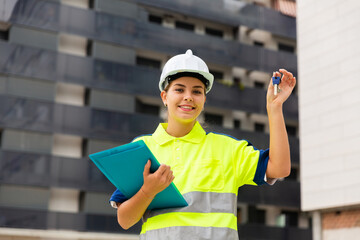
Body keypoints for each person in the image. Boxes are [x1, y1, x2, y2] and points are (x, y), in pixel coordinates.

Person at [109, 49, 296, 239]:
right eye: (179, 89)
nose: (188, 97)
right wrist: (147, 191)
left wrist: (274, 108)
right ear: (164, 97)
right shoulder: (141, 148)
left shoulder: (227, 148)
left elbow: (280, 169)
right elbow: (124, 220)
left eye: (197, 91)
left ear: (204, 100)